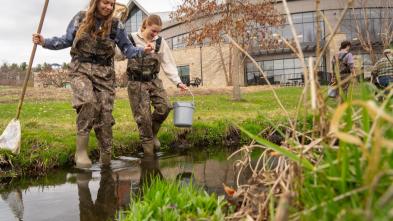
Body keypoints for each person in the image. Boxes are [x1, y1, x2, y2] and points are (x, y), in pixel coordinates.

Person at [32, 0, 153, 168]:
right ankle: (81, 151)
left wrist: (141, 50)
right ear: (96, 2)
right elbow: (66, 40)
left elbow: (127, 49)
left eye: (111, 4)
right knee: (88, 102)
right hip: (81, 69)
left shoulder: (116, 25)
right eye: (105, 3)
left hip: (104, 74)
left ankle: (106, 159)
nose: (108, 7)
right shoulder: (81, 18)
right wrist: (44, 41)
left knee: (105, 116)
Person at [126, 14, 188, 156]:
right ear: (146, 25)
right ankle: (148, 152)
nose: (155, 34)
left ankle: (152, 134)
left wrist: (178, 82)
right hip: (136, 83)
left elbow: (169, 64)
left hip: (154, 80)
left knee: (165, 107)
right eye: (153, 31)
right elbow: (118, 54)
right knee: (144, 117)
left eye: (158, 31)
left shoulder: (160, 42)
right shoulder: (131, 39)